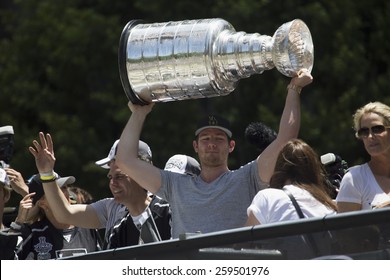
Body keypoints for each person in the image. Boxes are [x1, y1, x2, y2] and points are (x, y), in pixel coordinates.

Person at [116, 69, 313, 238]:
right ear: (195, 146)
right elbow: (125, 161)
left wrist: (294, 89)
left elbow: (285, 140)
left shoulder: (247, 178)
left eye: (219, 139)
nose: (211, 144)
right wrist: (138, 114)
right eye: (205, 139)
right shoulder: (175, 185)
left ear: (231, 146)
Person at [28, 134, 171, 249]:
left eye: (120, 176)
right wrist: (46, 173)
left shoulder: (168, 209)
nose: (113, 183)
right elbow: (65, 214)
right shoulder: (111, 209)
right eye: (110, 177)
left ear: (142, 172)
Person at [246, 139, 337, 226]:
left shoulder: (266, 197)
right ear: (315, 171)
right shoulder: (330, 206)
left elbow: (246, 240)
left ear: (279, 168)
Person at [13, 173, 101, 259]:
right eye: (55, 191)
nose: (64, 194)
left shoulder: (89, 228)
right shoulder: (31, 233)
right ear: (42, 203)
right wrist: (18, 222)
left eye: (64, 188)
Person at [336, 102, 390, 212]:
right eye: (364, 131)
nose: (370, 136)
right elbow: (344, 228)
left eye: (377, 129)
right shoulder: (354, 179)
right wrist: (378, 214)